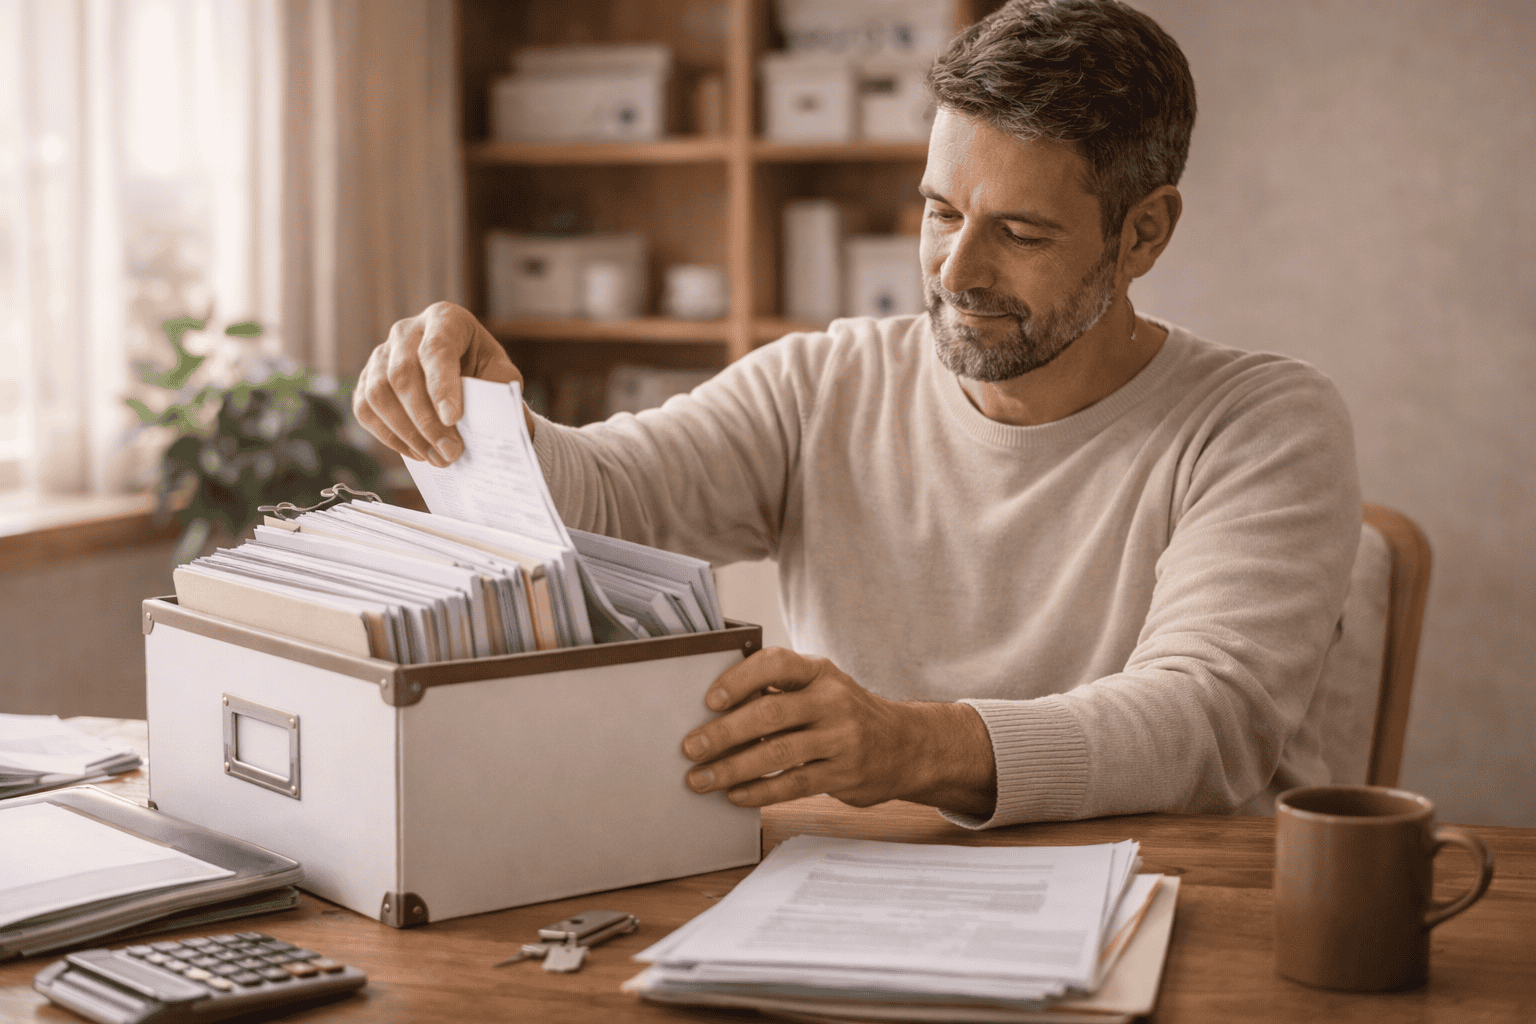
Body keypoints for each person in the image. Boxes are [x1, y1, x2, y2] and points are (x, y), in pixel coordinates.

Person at [353, 0, 1360, 827]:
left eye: (1018, 230)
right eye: (938, 211)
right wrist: (486, 413)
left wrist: (914, 744)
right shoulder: (825, 381)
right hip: (862, 888)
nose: (955, 272)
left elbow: (1206, 717)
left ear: (1144, 234)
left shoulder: (1264, 424)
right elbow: (610, 497)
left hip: (1176, 909)